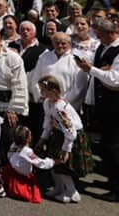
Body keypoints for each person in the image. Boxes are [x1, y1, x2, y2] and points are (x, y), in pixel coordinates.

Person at [74, 17, 119, 204]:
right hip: (108, 107)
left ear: (112, 33)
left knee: (114, 148)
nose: (98, 38)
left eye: (101, 35)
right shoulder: (105, 48)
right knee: (106, 147)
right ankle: (113, 182)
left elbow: (117, 80)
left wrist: (92, 70)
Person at [36, 75, 93, 204]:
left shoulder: (60, 108)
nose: (41, 92)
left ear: (52, 91)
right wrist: (43, 138)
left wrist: (66, 149)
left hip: (69, 137)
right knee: (54, 164)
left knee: (63, 166)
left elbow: (70, 130)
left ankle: (72, 192)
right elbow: (48, 122)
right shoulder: (47, 103)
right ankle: (59, 188)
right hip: (58, 134)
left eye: (43, 90)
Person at [3, 125, 53, 203]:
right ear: (27, 138)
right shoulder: (27, 151)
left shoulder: (13, 145)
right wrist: (52, 161)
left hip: (12, 172)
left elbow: (9, 156)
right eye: (30, 134)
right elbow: (40, 163)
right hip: (21, 176)